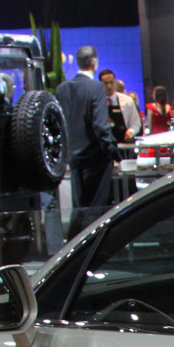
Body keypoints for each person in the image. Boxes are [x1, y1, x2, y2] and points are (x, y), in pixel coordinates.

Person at [57, 45, 117, 226]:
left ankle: (76, 241)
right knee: (96, 210)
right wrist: (111, 151)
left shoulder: (62, 89)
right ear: (94, 62)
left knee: (79, 208)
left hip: (73, 157)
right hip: (95, 157)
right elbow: (100, 125)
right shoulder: (96, 87)